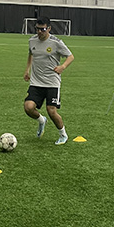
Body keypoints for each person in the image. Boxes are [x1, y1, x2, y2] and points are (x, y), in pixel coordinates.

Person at [23, 17, 74, 145]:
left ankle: (63, 134)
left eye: (43, 29)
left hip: (52, 82)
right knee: (28, 107)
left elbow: (70, 56)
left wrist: (63, 67)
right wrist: (27, 70)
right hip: (36, 82)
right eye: (37, 29)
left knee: (51, 111)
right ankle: (41, 120)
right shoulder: (32, 41)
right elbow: (31, 55)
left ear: (49, 29)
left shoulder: (56, 42)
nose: (39, 32)